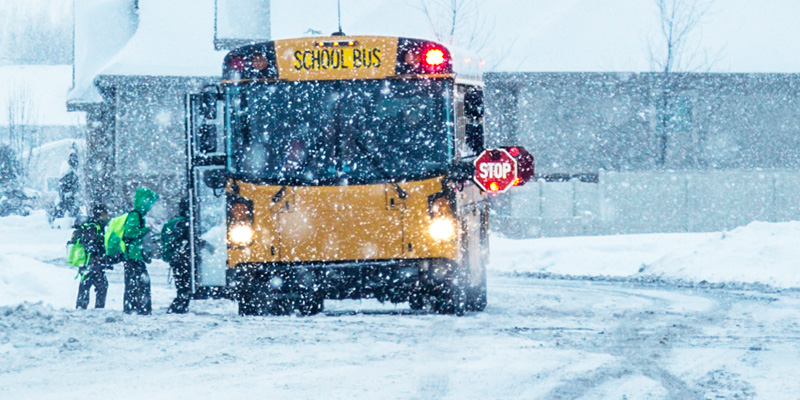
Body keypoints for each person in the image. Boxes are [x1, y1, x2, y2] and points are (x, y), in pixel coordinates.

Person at [107, 187, 159, 315]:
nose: (150, 206)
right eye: (149, 203)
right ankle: (138, 309)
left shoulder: (138, 216)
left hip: (135, 256)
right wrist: (145, 230)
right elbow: (130, 234)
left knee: (135, 283)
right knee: (139, 283)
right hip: (132, 256)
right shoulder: (135, 215)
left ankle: (135, 308)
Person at [161, 199, 201, 314]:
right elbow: (189, 239)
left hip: (177, 258)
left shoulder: (177, 222)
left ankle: (180, 307)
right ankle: (177, 308)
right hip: (182, 259)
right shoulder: (185, 223)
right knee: (185, 286)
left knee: (182, 285)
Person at [73, 204, 111, 309]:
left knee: (88, 285)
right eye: (105, 214)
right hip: (92, 263)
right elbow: (90, 245)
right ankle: (94, 308)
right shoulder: (94, 227)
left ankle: (81, 307)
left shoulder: (97, 226)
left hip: (90, 263)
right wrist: (98, 257)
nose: (107, 216)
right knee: (100, 285)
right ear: (100, 214)